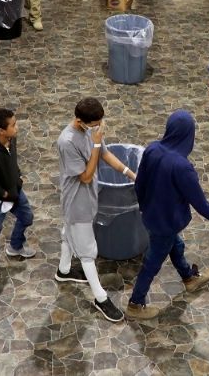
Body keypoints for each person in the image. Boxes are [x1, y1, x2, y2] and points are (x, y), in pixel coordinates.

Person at [125, 110, 209, 320]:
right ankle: (135, 304)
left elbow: (140, 183)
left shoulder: (153, 149)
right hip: (167, 223)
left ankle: (189, 278)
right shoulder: (182, 167)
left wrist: (144, 205)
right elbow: (200, 204)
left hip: (151, 215)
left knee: (177, 246)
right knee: (153, 262)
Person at [55, 98, 137, 323]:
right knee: (87, 252)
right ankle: (100, 298)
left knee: (68, 234)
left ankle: (63, 271)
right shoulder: (67, 141)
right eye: (95, 124)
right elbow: (86, 176)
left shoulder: (93, 130)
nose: (99, 128)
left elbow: (106, 155)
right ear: (80, 121)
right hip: (76, 202)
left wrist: (131, 174)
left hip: (88, 198)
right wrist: (97, 144)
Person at [0, 108, 35, 274]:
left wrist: (18, 177)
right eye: (13, 125)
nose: (17, 128)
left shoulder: (12, 139)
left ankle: (16, 245)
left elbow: (12, 162)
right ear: (1, 131)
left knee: (27, 217)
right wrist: (4, 195)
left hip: (15, 190)